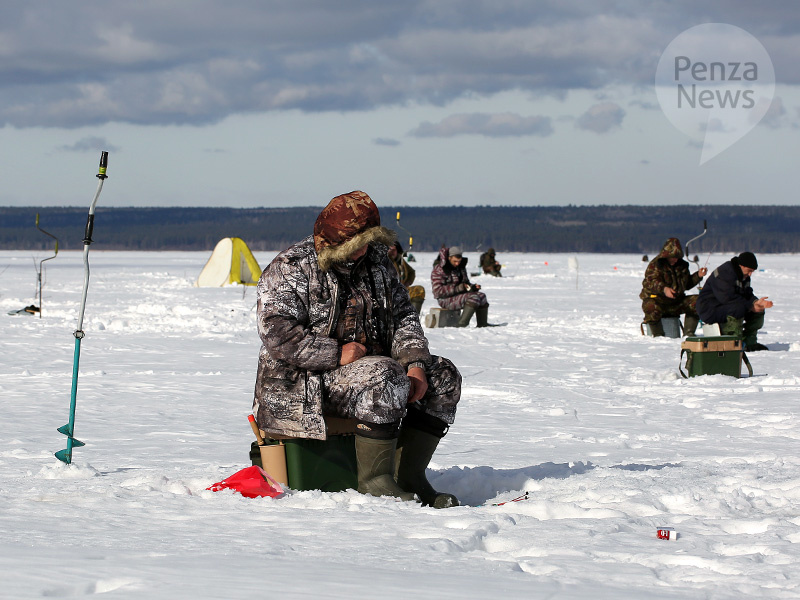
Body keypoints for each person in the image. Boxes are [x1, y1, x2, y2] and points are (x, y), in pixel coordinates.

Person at [253, 191, 461, 508]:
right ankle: (376, 482)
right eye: (355, 244)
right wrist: (335, 354)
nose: (362, 250)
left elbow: (403, 316)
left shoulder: (378, 263)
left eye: (367, 242)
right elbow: (276, 333)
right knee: (385, 374)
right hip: (305, 383)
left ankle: (409, 476)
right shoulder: (291, 267)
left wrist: (416, 363)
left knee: (444, 376)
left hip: (372, 372)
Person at [696, 251, 773, 351]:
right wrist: (750, 306)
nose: (750, 274)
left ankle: (750, 343)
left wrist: (756, 302)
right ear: (741, 266)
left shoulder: (744, 275)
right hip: (709, 308)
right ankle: (732, 342)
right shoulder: (725, 272)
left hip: (726, 306)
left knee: (758, 310)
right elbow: (727, 298)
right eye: (749, 270)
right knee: (738, 308)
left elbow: (747, 294)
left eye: (752, 271)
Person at [639, 238, 707, 336]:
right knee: (650, 306)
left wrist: (698, 276)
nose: (675, 259)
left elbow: (686, 284)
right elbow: (650, 282)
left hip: (676, 302)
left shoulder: (682, 265)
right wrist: (664, 289)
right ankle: (658, 336)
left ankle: (688, 334)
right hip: (658, 301)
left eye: (677, 257)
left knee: (698, 301)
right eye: (673, 257)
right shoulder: (656, 265)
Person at [432, 245, 490, 327]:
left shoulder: (461, 268)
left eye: (459, 261)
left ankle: (483, 324)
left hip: (459, 296)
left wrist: (472, 287)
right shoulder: (439, 270)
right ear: (449, 258)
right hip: (445, 299)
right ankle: (461, 324)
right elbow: (437, 291)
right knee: (474, 298)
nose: (457, 263)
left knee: (482, 296)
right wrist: (458, 288)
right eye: (455, 261)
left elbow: (465, 283)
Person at [388, 241, 425, 314]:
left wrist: (407, 283)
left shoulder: (401, 261)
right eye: (390, 250)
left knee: (419, 290)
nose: (392, 252)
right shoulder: (385, 261)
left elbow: (411, 272)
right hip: (389, 294)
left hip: (401, 290)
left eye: (394, 250)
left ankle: (413, 315)